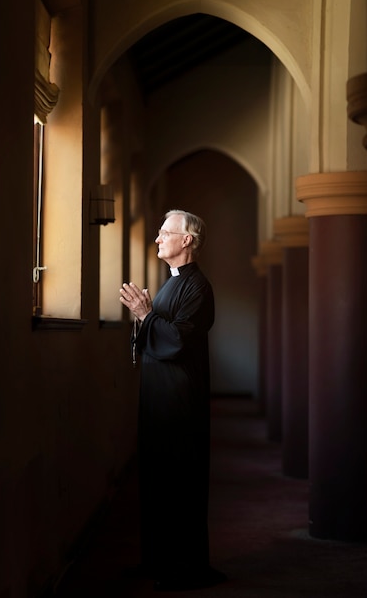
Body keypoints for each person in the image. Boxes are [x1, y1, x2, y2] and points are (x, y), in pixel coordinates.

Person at [119, 209, 226, 591]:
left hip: (180, 400)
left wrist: (146, 315)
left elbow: (178, 340)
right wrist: (143, 318)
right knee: (157, 480)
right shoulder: (170, 284)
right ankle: (158, 561)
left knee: (179, 482)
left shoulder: (198, 287)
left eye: (166, 232)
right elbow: (156, 330)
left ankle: (185, 567)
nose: (158, 238)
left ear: (187, 240)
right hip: (158, 398)